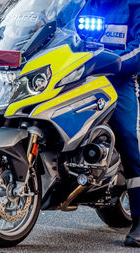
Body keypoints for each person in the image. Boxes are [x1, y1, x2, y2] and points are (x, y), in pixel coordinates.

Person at [80, 0, 140, 247]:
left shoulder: (134, 5)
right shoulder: (82, 3)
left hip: (118, 78)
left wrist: (112, 64)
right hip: (77, 74)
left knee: (127, 134)